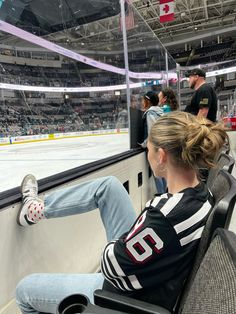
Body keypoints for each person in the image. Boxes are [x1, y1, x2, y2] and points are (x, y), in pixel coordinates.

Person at [16, 112, 228, 313]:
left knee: (24, 290)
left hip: (126, 296)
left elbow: (109, 267)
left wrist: (118, 243)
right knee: (108, 187)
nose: (148, 154)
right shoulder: (200, 192)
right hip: (149, 269)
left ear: (161, 156)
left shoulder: (164, 217)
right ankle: (35, 211)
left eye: (149, 149)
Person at [140, 91, 166, 193]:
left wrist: (143, 144)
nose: (142, 102)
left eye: (144, 100)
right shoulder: (160, 111)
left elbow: (151, 132)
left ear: (148, 101)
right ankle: (165, 195)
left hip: (155, 147)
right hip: (162, 145)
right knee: (162, 172)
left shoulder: (150, 113)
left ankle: (162, 196)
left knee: (157, 174)